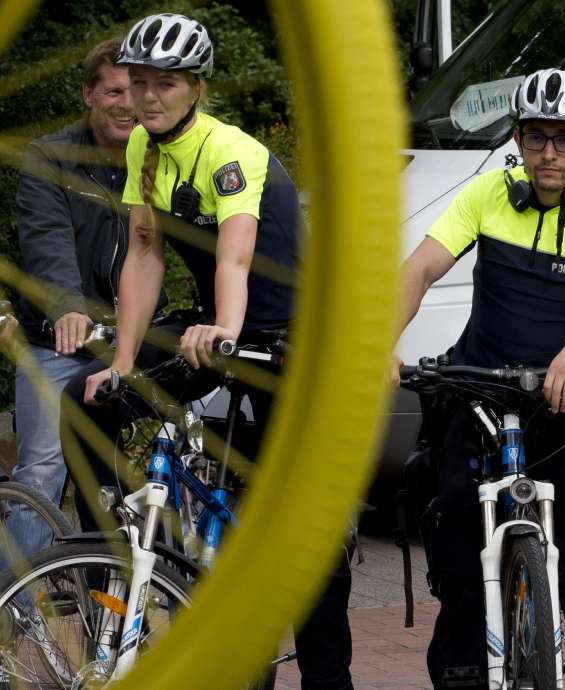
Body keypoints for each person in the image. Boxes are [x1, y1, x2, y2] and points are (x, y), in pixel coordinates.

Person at [58, 14, 352, 689]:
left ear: (195, 87)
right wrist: (127, 359)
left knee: (304, 529)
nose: (147, 96)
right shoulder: (143, 149)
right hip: (221, 326)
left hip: (288, 334)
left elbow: (236, 255)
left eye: (164, 84)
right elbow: (143, 250)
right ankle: (124, 568)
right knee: (88, 400)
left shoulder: (231, 151)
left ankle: (328, 676)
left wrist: (222, 326)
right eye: (137, 84)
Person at [397, 67, 565, 689]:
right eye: (536, 137)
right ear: (517, 138)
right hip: (480, 395)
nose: (549, 153)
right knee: (459, 571)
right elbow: (418, 271)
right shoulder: (486, 195)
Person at [8, 37, 137, 563]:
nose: (128, 103)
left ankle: (118, 606)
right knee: (40, 472)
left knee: (139, 476)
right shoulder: (49, 157)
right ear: (88, 94)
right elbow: (46, 241)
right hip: (56, 341)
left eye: (137, 90)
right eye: (114, 91)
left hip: (129, 340)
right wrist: (67, 307)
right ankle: (11, 610)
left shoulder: (156, 160)